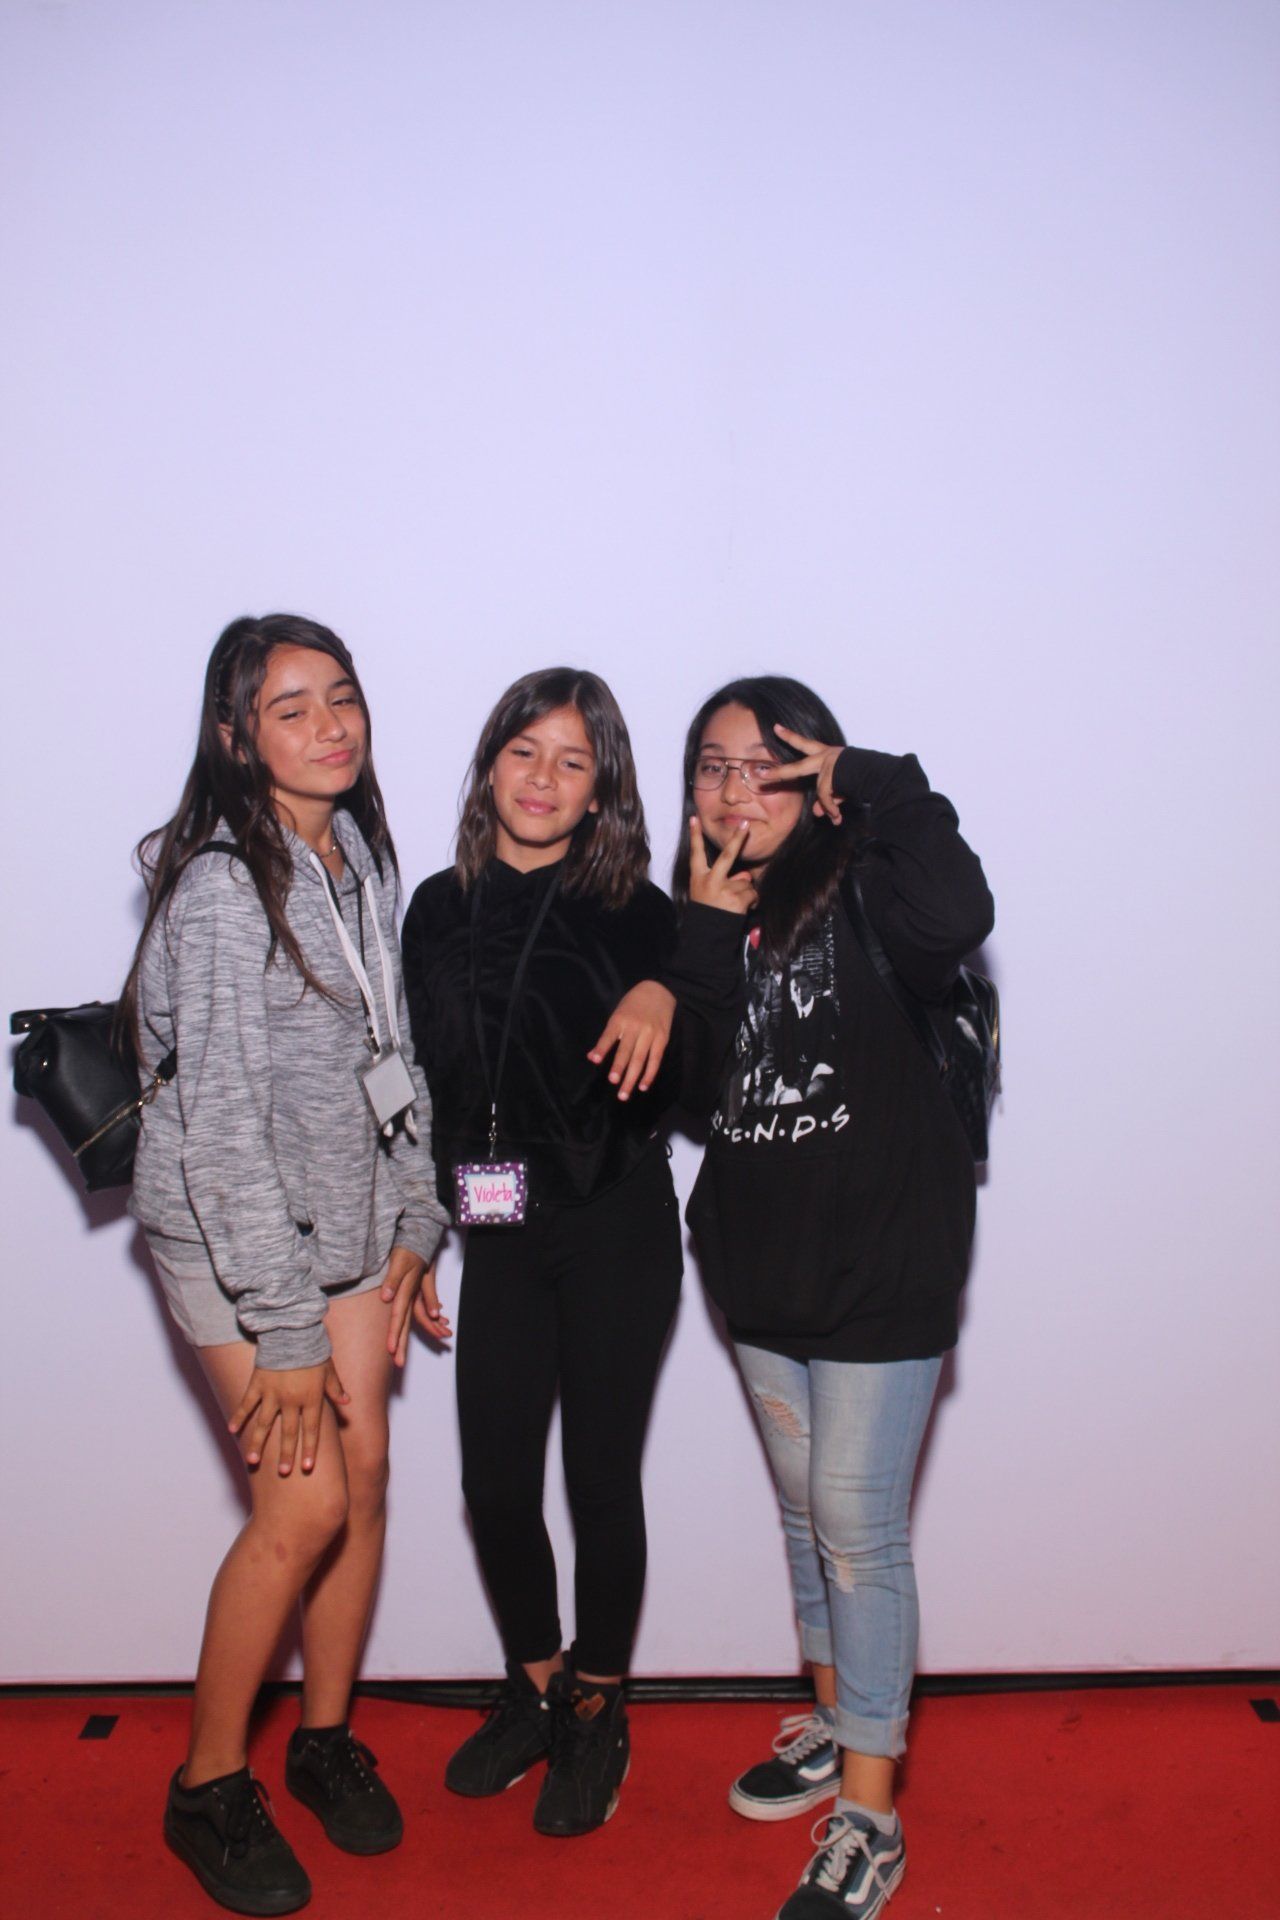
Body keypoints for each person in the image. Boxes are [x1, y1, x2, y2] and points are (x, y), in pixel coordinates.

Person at [122, 614, 449, 1915]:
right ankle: (206, 1786)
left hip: (348, 1209)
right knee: (302, 1510)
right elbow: (220, 1133)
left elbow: (390, 1052)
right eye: (291, 708)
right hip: (232, 1232)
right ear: (235, 737)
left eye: (343, 697)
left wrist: (418, 1216)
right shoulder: (221, 888)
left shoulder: (356, 850)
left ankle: (321, 1739)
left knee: (363, 1483)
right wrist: (291, 1331)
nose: (330, 727)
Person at [400, 666, 743, 1837]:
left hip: (612, 1228)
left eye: (570, 761)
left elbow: (696, 1084)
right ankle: (539, 1685)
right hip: (494, 1232)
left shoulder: (639, 913)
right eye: (523, 752)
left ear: (601, 790)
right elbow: (420, 1090)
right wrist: (414, 1233)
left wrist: (667, 987)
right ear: (489, 764)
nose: (542, 780)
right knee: (493, 1486)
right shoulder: (435, 910)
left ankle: (599, 1704)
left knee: (598, 1482)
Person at [674, 676, 994, 1920]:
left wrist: (871, 777)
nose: (734, 788)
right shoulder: (705, 908)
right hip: (760, 1272)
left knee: (857, 1533)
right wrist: (701, 937)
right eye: (712, 765)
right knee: (806, 1517)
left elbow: (961, 914)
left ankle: (870, 1814)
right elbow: (691, 1095)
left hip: (882, 1266)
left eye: (765, 764)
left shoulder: (872, 881)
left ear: (813, 777)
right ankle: (832, 1721)